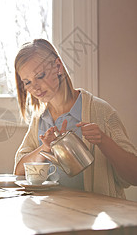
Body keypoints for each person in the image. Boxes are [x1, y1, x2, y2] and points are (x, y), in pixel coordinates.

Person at [13, 39, 137, 199]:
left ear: (57, 66)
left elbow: (133, 176)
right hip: (51, 215)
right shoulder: (39, 120)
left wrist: (103, 141)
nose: (35, 87)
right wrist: (44, 149)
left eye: (40, 76)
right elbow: (19, 172)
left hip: (95, 216)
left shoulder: (101, 112)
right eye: (27, 82)